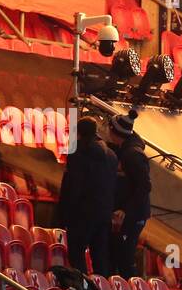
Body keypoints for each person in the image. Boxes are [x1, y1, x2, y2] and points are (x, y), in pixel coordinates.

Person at [57, 117, 118, 277]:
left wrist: (64, 215)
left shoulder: (77, 152)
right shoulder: (111, 155)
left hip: (82, 213)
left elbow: (73, 187)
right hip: (104, 213)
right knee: (100, 258)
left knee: (77, 255)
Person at [107, 110, 152, 278]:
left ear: (115, 132)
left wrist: (126, 210)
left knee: (125, 256)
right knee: (117, 252)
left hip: (133, 216)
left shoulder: (132, 155)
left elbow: (144, 186)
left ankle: (132, 289)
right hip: (129, 214)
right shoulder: (125, 148)